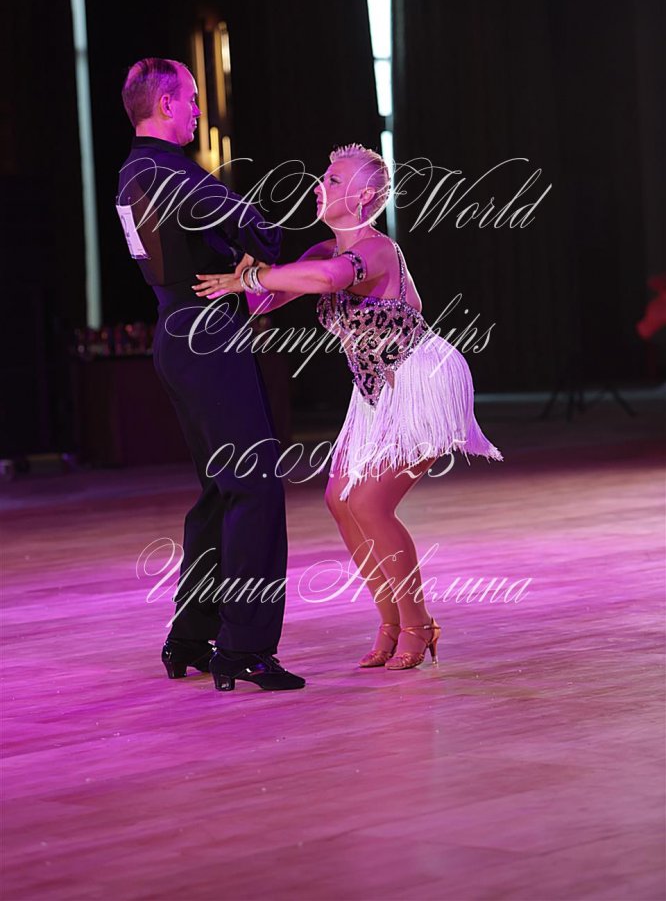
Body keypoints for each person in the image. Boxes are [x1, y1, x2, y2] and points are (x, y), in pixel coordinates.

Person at [194, 143, 504, 672]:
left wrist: (254, 277)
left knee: (369, 504)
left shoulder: (378, 249)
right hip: (373, 391)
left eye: (334, 180)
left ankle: (418, 622)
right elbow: (265, 299)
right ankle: (390, 622)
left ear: (363, 197)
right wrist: (250, 264)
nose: (321, 186)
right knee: (340, 499)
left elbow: (329, 280)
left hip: (421, 381)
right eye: (324, 178)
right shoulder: (322, 250)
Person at [116, 57, 304, 692]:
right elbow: (260, 229)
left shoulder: (131, 172)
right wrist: (249, 265)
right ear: (166, 104)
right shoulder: (172, 171)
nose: (199, 110)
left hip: (174, 333)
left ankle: (191, 638)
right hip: (208, 335)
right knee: (255, 488)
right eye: (193, 99)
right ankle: (244, 648)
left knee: (221, 491)